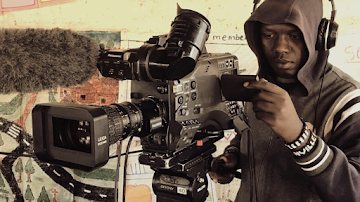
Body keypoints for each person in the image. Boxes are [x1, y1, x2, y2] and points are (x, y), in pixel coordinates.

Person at [209, 0, 360, 201]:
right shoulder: (255, 86)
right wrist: (234, 155)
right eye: (269, 35)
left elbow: (355, 192)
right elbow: (247, 136)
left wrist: (300, 138)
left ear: (319, 36)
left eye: (294, 36)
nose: (280, 47)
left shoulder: (347, 99)